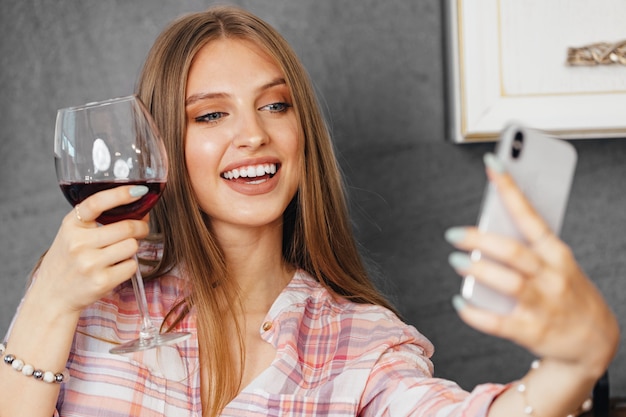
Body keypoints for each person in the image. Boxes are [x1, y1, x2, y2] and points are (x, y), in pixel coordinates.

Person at [0, 5, 619, 417]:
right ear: (162, 141)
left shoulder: (362, 341)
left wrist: (575, 363)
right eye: (211, 114)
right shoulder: (92, 297)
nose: (253, 136)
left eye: (275, 106)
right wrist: (50, 302)